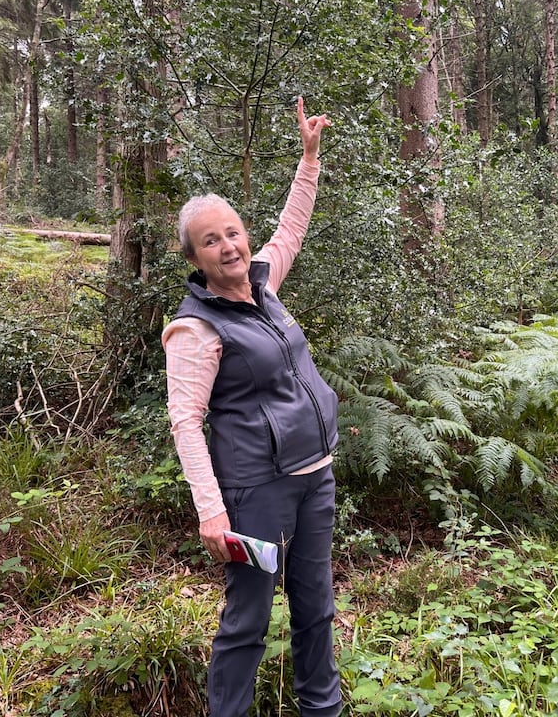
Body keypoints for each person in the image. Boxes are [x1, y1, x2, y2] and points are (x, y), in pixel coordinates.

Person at [162, 97, 341, 717]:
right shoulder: (195, 329)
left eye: (233, 232)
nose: (229, 247)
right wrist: (212, 513)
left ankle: (323, 709)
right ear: (195, 258)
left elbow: (291, 226)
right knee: (249, 620)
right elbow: (185, 422)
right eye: (211, 241)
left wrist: (308, 158)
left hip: (314, 477)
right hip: (254, 492)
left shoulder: (263, 283)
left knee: (316, 606)